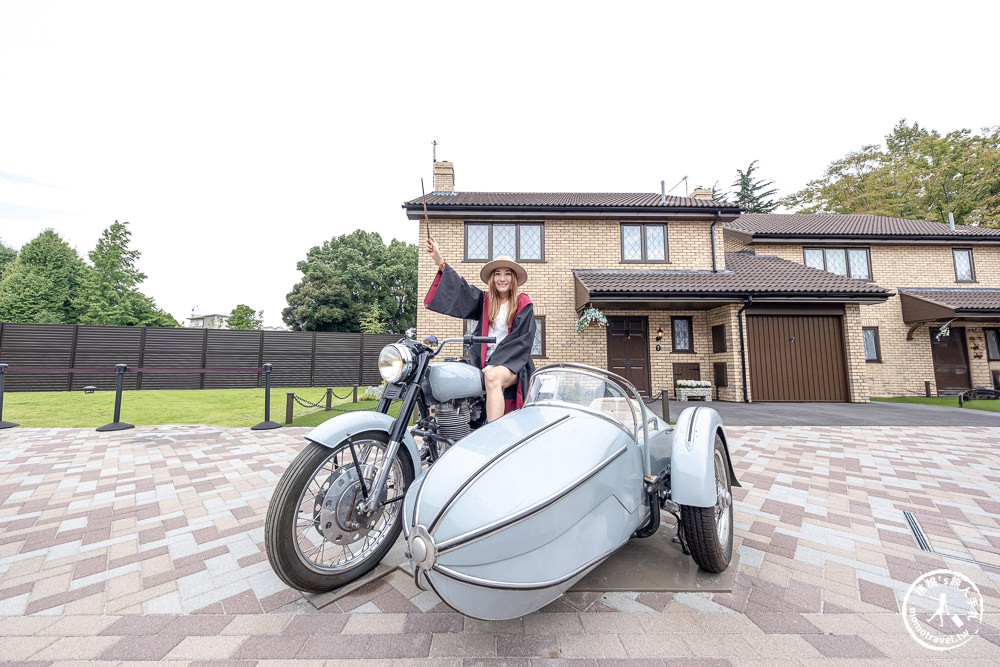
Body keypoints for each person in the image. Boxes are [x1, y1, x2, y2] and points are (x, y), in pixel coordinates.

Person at [423, 236, 536, 422]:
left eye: (507, 274)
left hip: (513, 364)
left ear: (514, 278)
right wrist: (439, 260)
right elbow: (461, 289)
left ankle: (492, 437)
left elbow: (521, 341)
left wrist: (494, 364)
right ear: (492, 278)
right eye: (497, 274)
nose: (502, 278)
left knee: (492, 377)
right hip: (482, 362)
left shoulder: (522, 303)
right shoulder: (485, 301)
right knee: (442, 373)